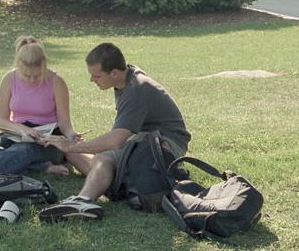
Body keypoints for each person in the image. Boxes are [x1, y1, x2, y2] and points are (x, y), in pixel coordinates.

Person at [36, 42, 191, 221]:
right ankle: (107, 182)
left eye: (96, 76)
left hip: (164, 144)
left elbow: (116, 140)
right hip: (143, 141)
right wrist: (73, 148)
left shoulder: (136, 89)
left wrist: (72, 146)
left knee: (101, 158)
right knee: (79, 155)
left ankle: (83, 201)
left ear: (115, 73)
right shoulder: (124, 79)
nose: (92, 80)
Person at [0, 36, 90, 175]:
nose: (32, 80)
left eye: (37, 75)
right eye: (26, 75)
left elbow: (64, 122)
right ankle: (41, 167)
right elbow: (1, 119)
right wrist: (22, 129)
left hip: (48, 142)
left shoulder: (56, 82)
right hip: (17, 135)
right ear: (18, 65)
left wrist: (71, 135)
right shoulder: (9, 79)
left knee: (22, 150)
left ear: (44, 65)